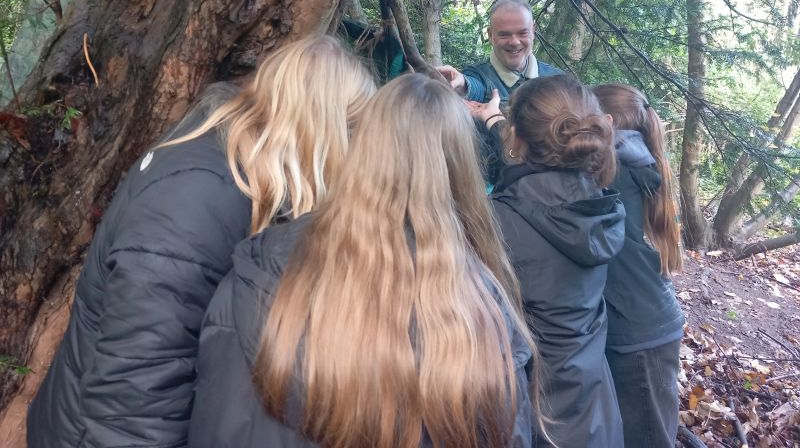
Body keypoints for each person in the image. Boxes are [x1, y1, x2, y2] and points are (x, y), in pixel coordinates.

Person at [27, 36, 376, 448]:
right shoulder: (196, 199)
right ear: (326, 129)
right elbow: (131, 405)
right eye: (356, 133)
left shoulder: (231, 168)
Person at [187, 73, 548, 448]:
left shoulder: (261, 268)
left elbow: (219, 421)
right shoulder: (486, 309)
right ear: (461, 169)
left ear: (360, 146)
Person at [474, 74, 626, 447]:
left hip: (533, 410)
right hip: (595, 407)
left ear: (516, 137)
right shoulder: (601, 205)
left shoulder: (497, 220)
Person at [593, 83, 685, 448]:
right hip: (645, 321)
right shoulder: (634, 156)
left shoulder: (614, 169)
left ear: (606, 121)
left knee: (648, 437)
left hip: (641, 335)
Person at [437, 0, 562, 104]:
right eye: (504, 35)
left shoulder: (558, 80)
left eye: (522, 33)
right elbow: (475, 88)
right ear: (490, 35)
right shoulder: (479, 76)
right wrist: (463, 84)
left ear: (533, 31)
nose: (514, 42)